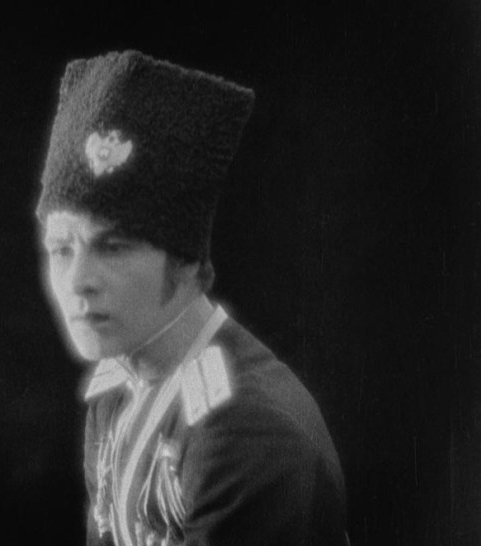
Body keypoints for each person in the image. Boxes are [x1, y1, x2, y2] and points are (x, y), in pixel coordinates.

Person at [36, 50, 348, 546]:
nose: (77, 281)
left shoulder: (247, 432)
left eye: (113, 247)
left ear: (184, 261)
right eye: (61, 249)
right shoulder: (116, 390)